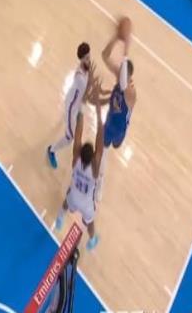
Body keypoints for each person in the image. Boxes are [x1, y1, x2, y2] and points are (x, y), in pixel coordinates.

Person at [54, 81, 104, 251]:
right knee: (90, 222)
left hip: (74, 196)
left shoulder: (76, 159)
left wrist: (83, 103)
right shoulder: (95, 168)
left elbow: (79, 131)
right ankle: (92, 240)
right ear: (94, 157)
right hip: (87, 204)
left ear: (81, 152)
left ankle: (60, 218)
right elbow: (100, 137)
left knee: (66, 202)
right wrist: (98, 109)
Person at [95, 30, 137, 201]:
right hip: (110, 124)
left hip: (120, 130)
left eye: (121, 72)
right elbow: (104, 56)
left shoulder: (131, 92)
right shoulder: (119, 76)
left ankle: (100, 177)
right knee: (102, 153)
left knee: (115, 146)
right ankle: (100, 183)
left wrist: (126, 50)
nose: (118, 73)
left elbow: (123, 83)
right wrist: (115, 38)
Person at [47, 43, 95, 169]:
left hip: (75, 101)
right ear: (81, 59)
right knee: (69, 138)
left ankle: (65, 121)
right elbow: (86, 97)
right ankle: (51, 150)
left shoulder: (85, 69)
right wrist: (92, 84)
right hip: (72, 107)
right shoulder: (80, 78)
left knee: (73, 124)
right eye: (86, 58)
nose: (89, 60)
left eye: (89, 57)